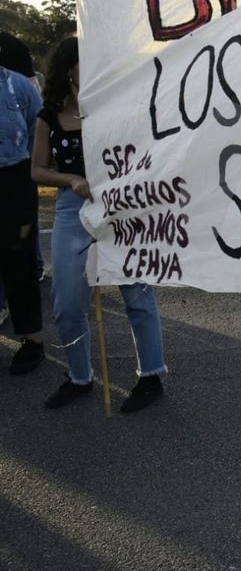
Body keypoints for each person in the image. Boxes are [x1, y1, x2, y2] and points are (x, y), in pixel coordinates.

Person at [31, 37, 168, 412]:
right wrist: (71, 181)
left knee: (136, 292)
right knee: (68, 302)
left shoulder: (114, 107)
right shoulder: (48, 115)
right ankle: (79, 377)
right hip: (71, 210)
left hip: (119, 206)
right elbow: (37, 169)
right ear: (68, 69)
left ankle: (152, 375)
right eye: (83, 62)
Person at [0, 31, 45, 374]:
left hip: (15, 181)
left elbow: (37, 130)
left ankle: (32, 341)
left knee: (20, 262)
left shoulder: (18, 86)